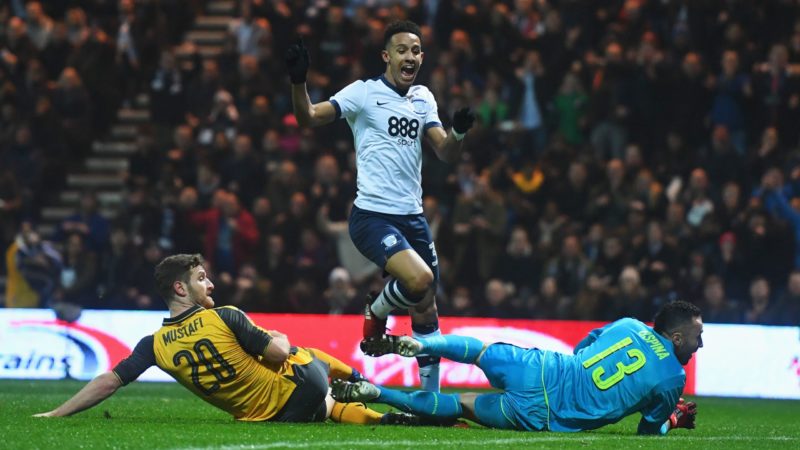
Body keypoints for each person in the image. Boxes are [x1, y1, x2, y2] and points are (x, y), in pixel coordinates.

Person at [286, 20, 476, 392]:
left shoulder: (424, 98)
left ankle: (430, 399)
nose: (411, 56)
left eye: (417, 50)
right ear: (386, 56)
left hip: (413, 218)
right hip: (372, 216)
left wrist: (459, 132)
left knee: (426, 306)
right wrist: (298, 81)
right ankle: (376, 310)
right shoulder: (363, 93)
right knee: (419, 281)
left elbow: (445, 152)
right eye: (403, 50)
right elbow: (307, 117)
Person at [33, 254, 416, 426]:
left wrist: (56, 413)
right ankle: (376, 392)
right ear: (181, 287)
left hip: (273, 419)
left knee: (329, 408)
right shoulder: (224, 316)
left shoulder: (155, 345)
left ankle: (380, 417)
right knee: (300, 352)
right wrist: (279, 335)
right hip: (304, 385)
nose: (211, 283)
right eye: (202, 278)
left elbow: (108, 382)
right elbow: (280, 350)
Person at [339, 300, 703, 434]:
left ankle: (422, 343)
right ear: (674, 338)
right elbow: (648, 431)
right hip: (541, 413)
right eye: (696, 336)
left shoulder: (629, 325)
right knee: (461, 404)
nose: (700, 343)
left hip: (543, 368)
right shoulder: (673, 377)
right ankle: (379, 393)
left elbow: (585, 346)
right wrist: (673, 419)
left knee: (479, 352)